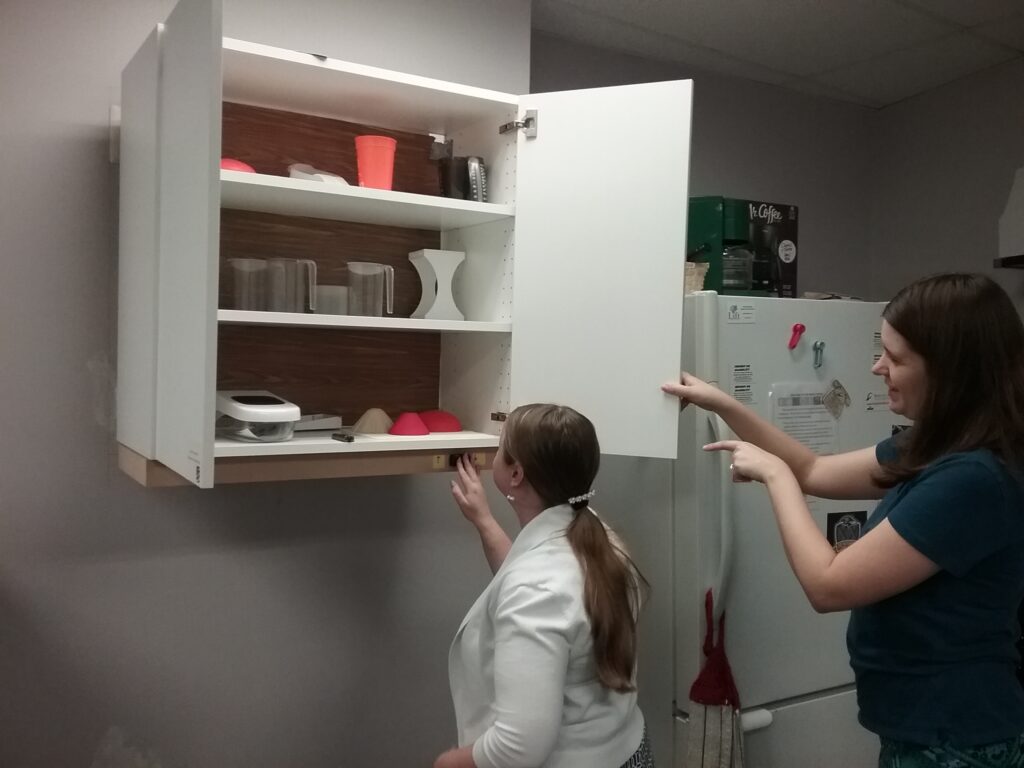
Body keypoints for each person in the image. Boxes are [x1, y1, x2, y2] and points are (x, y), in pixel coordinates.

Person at [662, 272, 1024, 767]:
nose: (877, 367)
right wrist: (723, 403)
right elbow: (814, 470)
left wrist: (774, 478)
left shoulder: (972, 479)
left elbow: (828, 586)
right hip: (921, 728)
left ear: (948, 371)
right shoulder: (932, 445)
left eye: (895, 358)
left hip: (956, 740)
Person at [433, 403, 655, 768]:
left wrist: (446, 763)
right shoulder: (598, 536)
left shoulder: (537, 588)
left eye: (502, 447)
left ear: (516, 473)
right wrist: (483, 519)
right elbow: (540, 589)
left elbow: (516, 748)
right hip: (627, 751)